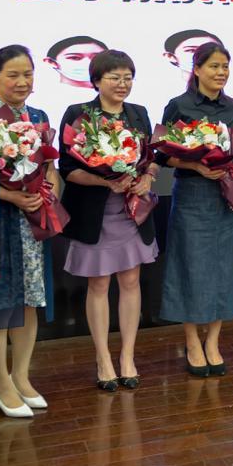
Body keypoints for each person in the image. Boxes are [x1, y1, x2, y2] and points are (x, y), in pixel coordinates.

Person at [0, 45, 60, 417]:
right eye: (13, 75)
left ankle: (21, 376)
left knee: (30, 300)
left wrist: (48, 192)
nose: (22, 82)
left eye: (27, 74)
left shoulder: (39, 116)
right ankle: (0, 384)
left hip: (32, 225)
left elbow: (49, 168)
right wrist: (13, 196)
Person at [58, 50, 159, 391]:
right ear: (96, 81)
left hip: (131, 210)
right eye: (114, 77)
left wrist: (147, 178)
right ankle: (103, 359)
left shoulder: (138, 113)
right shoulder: (78, 114)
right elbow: (68, 170)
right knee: (99, 284)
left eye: (128, 77)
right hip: (95, 211)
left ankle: (127, 356)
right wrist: (105, 182)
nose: (122, 84)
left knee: (131, 281)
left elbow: (152, 158)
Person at [158, 42, 233, 376]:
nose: (221, 72)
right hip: (192, 195)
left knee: (224, 267)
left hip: (224, 196)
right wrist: (196, 166)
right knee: (191, 267)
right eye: (214, 66)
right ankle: (192, 341)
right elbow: (162, 154)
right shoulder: (179, 105)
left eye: (225, 66)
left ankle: (213, 341)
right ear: (196, 69)